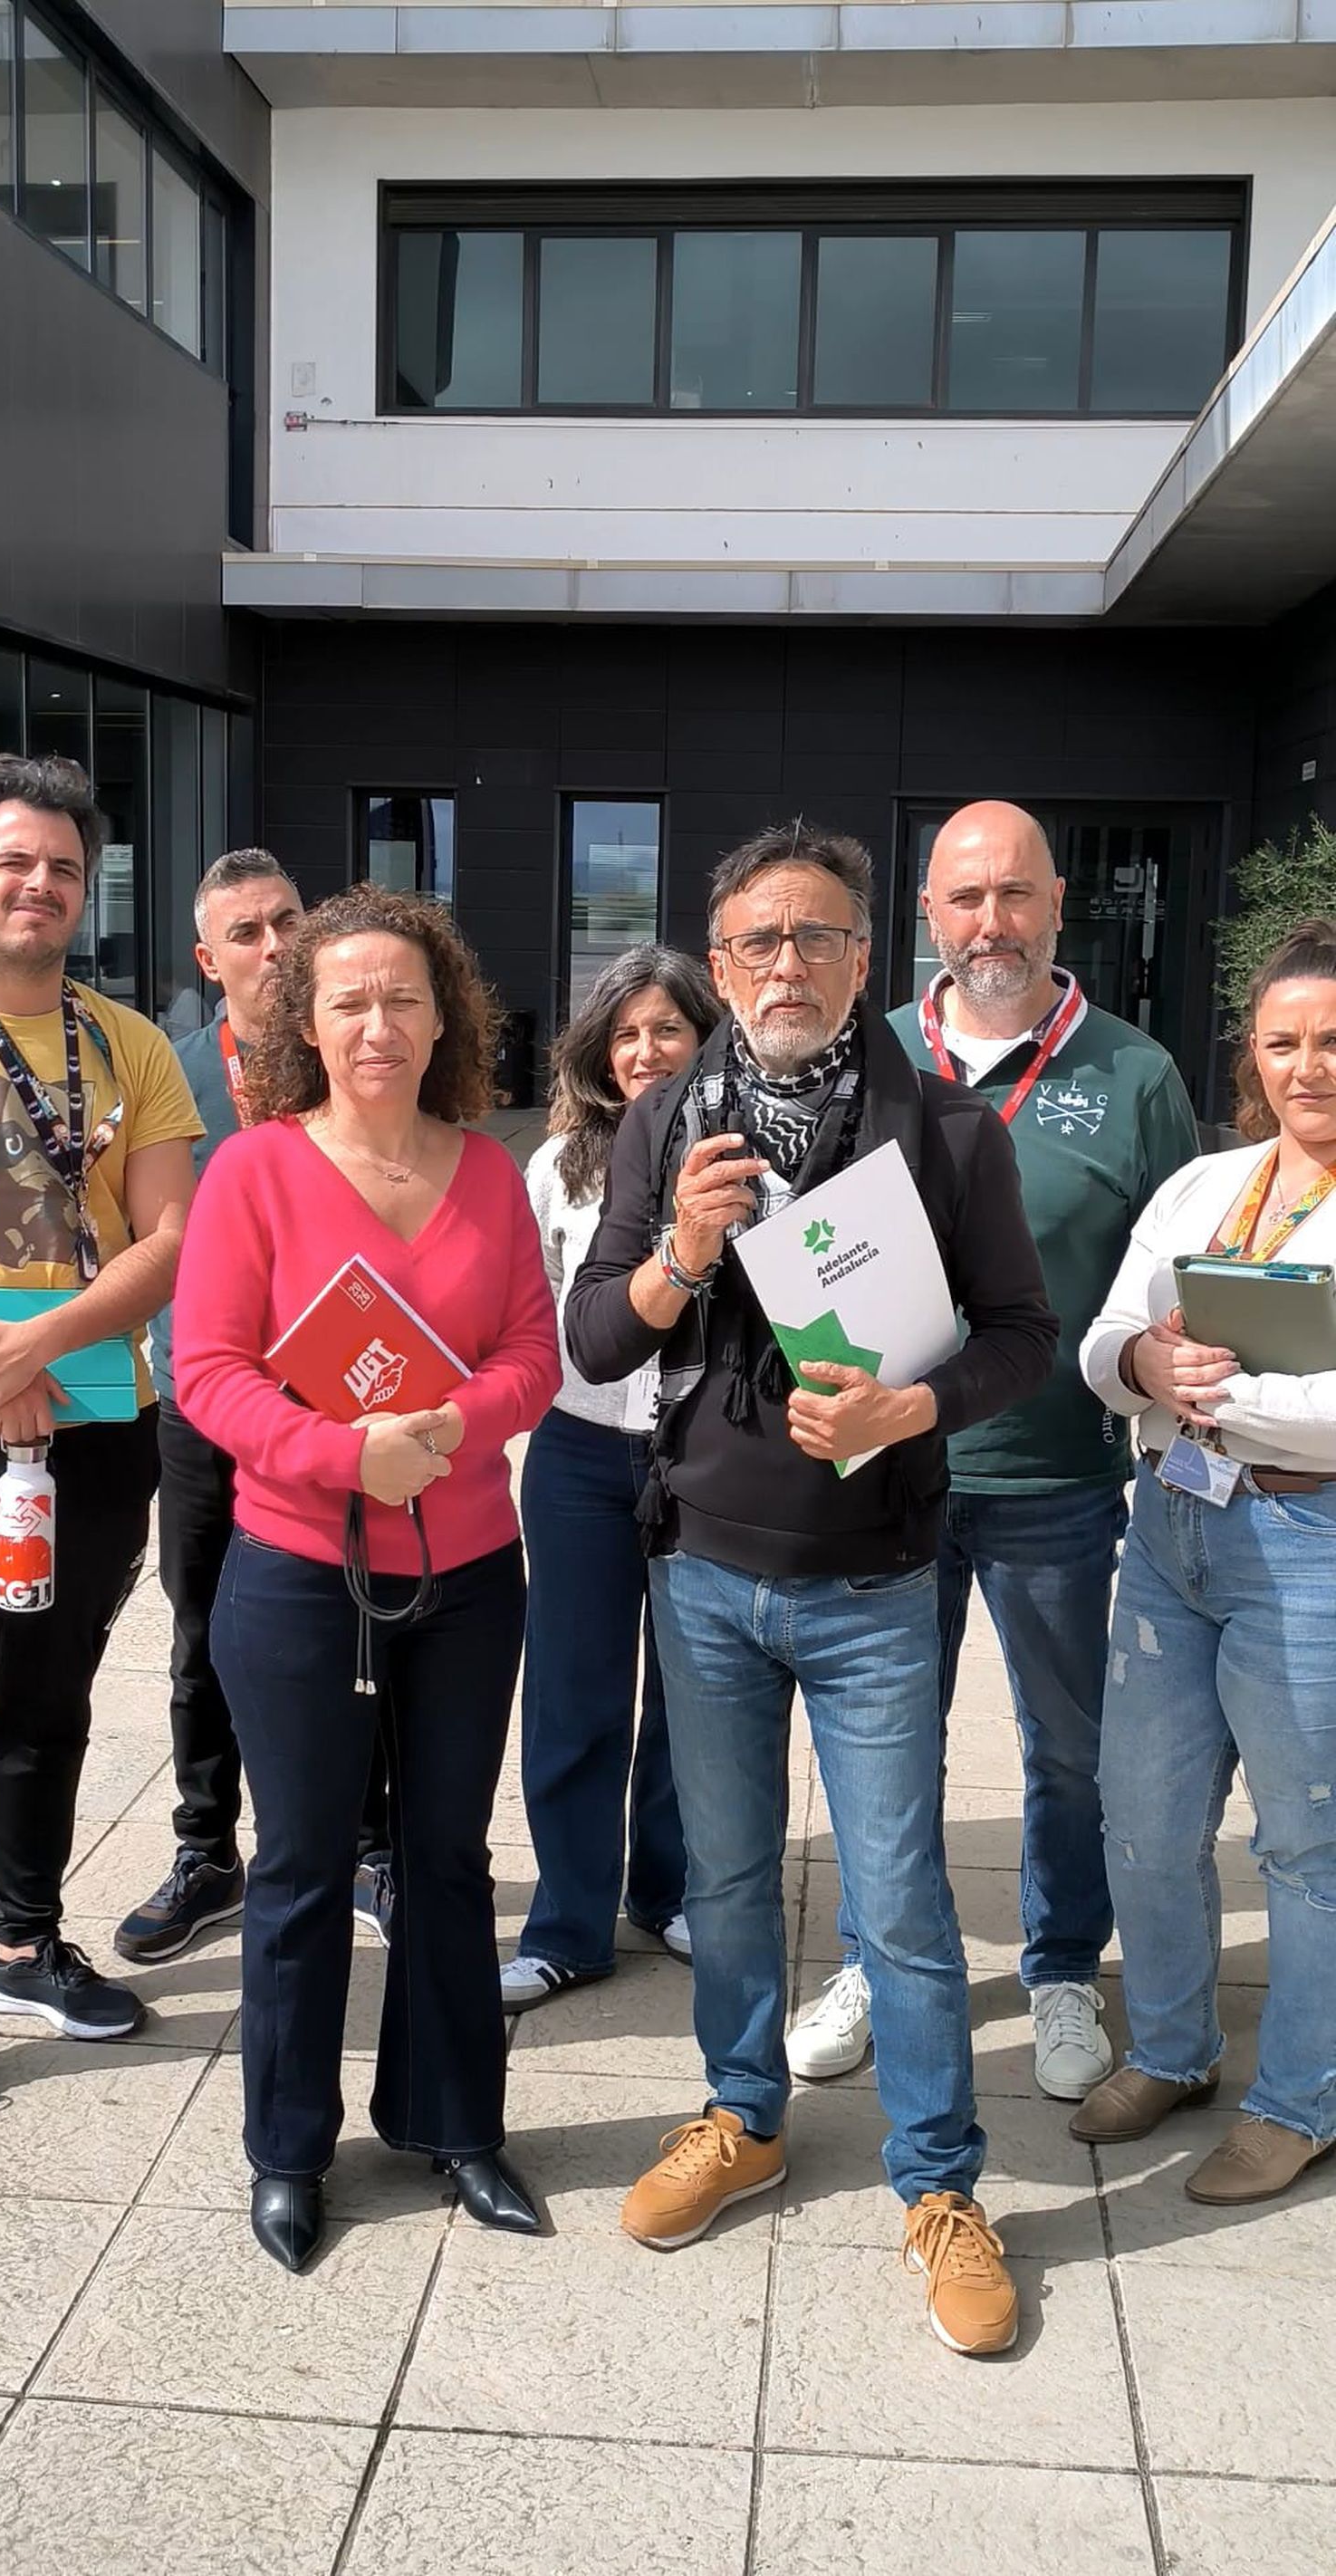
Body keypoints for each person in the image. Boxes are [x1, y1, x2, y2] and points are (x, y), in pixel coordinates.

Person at [565, 822, 1057, 2356]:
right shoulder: (665, 1120)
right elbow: (596, 1339)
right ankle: (743, 2109)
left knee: (901, 1899)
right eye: (759, 942)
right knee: (720, 1880)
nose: (788, 964)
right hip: (704, 1567)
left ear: (867, 961)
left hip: (873, 1578)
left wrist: (916, 1407)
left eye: (818, 937)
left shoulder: (950, 1133)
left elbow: (1023, 1335)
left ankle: (939, 2181)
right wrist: (680, 1254)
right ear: (718, 970)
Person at [173, 884, 561, 2272]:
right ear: (306, 1022)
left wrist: (450, 1432)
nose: (379, 1024)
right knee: (298, 1863)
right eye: (349, 1002)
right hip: (296, 1575)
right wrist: (341, 1453)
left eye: (404, 997)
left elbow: (535, 1354)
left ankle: (455, 2123)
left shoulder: (491, 1170)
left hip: (468, 1572)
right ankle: (288, 2149)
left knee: (449, 1857)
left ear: (445, 1012)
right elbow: (211, 1373)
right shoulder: (255, 1173)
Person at [789, 802, 1199, 2099]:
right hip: (895, 1477)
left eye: (1015, 896)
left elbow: (1176, 1281)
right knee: (881, 1745)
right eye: (966, 900)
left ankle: (1064, 1965)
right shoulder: (871, 1054)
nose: (992, 924)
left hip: (1060, 1486)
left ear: (1060, 906)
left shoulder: (1136, 1076)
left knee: (1068, 1748)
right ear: (926, 916)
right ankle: (874, 1957)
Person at [0, 754, 200, 2156]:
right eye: (16, 862)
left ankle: (19, 1944)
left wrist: (42, 1348)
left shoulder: (128, 1044)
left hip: (89, 1425)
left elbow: (174, 1238)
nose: (42, 886)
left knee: (51, 1697)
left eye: (67, 869)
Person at [1074, 918, 1336, 2206]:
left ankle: (1301, 2099)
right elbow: (1107, 1338)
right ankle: (1173, 2047)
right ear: (1253, 1056)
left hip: (1309, 1545)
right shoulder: (1200, 1189)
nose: (1310, 1067)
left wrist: (1208, 1400)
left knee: (1306, 1843)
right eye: (1285, 1041)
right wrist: (1144, 1368)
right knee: (1146, 1814)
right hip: (1170, 1530)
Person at [112, 851, 399, 1966]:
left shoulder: (357, 1060)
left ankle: (369, 1842)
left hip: (337, 1404)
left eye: (289, 922)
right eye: (246, 932)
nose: (272, 947)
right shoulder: (171, 1075)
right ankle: (206, 1849)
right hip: (203, 1403)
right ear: (208, 957)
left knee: (358, 1616)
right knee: (203, 1629)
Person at [503, 946, 720, 2012]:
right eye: (626, 1033)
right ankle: (567, 1923)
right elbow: (532, 1316)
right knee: (574, 1691)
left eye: (668, 1030)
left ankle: (666, 1889)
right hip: (581, 1452)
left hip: (704, 1456)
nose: (646, 1051)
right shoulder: (560, 1167)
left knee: (691, 1690)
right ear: (599, 1050)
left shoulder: (747, 1153)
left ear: (704, 1036)